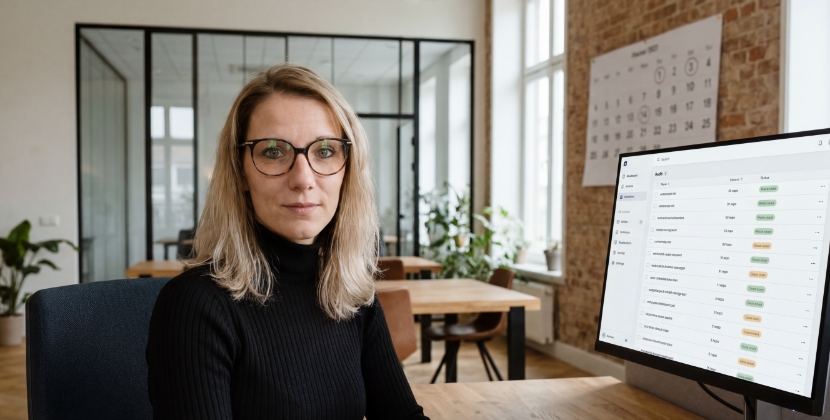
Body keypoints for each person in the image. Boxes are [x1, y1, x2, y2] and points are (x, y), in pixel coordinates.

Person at [146, 64, 428, 420]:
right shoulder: (196, 305)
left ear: (348, 167)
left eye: (325, 151)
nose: (303, 178)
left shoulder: (351, 292)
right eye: (274, 152)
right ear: (240, 171)